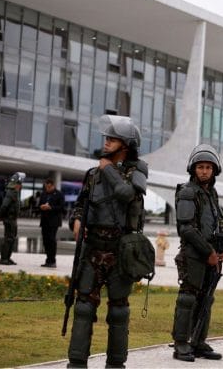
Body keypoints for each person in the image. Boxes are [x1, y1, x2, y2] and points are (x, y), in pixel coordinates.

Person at [66, 115, 148, 368]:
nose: (106, 142)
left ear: (125, 144)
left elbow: (125, 194)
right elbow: (80, 206)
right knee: (83, 308)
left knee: (119, 311)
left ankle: (116, 363)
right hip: (92, 249)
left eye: (112, 139)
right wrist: (76, 221)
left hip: (120, 250)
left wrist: (108, 169)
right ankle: (77, 362)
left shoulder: (138, 170)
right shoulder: (93, 174)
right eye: (107, 138)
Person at [171, 144, 223, 362]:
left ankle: (198, 341)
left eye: (208, 167)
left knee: (206, 298)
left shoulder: (211, 193)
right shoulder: (187, 192)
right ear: (193, 169)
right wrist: (208, 252)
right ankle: (181, 343)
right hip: (193, 255)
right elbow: (186, 228)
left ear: (214, 170)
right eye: (200, 167)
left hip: (211, 256)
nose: (204, 171)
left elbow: (218, 223)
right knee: (188, 298)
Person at [0, 172, 24, 265]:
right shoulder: (11, 192)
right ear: (17, 184)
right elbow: (4, 206)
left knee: (11, 238)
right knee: (8, 238)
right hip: (9, 219)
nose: (21, 186)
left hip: (13, 219)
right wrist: (1, 216)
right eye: (20, 184)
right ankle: (4, 258)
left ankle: (7, 258)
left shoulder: (14, 192)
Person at [39, 178, 65, 268]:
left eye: (49, 187)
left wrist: (51, 208)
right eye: (46, 187)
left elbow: (61, 208)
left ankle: (52, 261)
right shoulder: (44, 194)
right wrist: (41, 207)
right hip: (44, 221)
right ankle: (48, 260)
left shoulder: (59, 194)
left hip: (53, 222)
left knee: (51, 240)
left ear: (53, 186)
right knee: (45, 241)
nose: (47, 189)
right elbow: (39, 204)